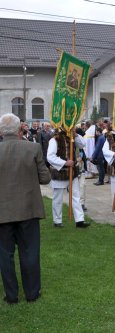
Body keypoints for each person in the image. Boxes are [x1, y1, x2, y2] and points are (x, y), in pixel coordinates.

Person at [0, 114, 51, 304]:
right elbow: (45, 178)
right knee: (29, 252)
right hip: (28, 209)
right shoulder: (32, 148)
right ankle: (32, 293)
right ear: (20, 129)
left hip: (3, 211)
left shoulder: (33, 147)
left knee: (5, 256)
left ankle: (11, 295)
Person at [47, 128, 89, 228]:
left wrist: (76, 134)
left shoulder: (72, 137)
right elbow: (50, 157)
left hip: (72, 172)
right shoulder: (54, 139)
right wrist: (64, 163)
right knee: (58, 198)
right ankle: (57, 220)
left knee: (76, 196)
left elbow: (83, 144)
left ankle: (80, 220)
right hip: (60, 172)